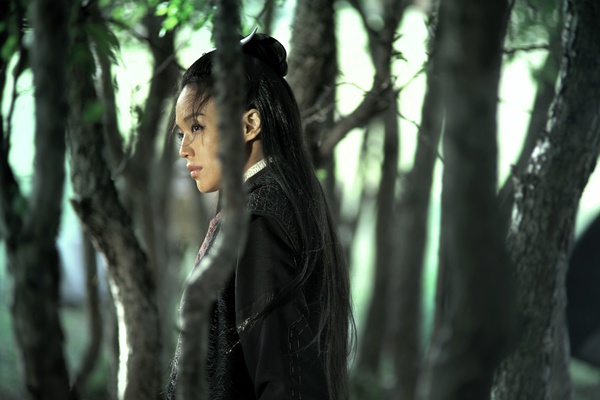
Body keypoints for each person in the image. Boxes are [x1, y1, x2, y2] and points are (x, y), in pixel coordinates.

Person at [167, 31, 353, 400]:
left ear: (249, 124)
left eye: (197, 126)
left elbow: (286, 382)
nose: (184, 148)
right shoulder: (272, 203)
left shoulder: (259, 222)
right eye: (181, 133)